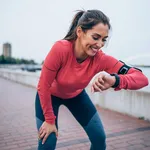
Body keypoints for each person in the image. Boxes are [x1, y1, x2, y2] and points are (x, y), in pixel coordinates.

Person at [35, 9, 149, 150]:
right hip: (49, 96)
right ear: (79, 32)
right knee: (48, 141)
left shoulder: (101, 59)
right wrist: (50, 120)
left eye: (104, 39)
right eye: (96, 37)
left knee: (99, 139)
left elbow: (142, 79)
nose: (100, 44)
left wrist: (115, 80)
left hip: (76, 96)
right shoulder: (61, 49)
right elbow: (43, 85)